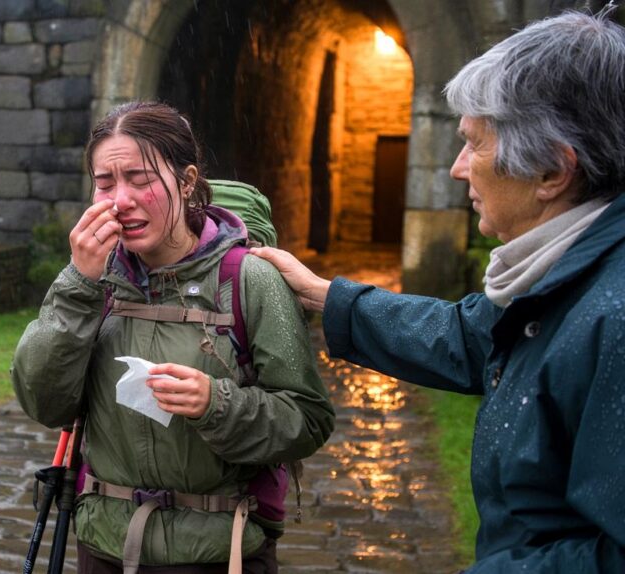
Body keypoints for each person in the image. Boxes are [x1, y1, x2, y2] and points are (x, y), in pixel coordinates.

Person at [251, 9, 625, 573]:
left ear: (552, 171)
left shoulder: (613, 317)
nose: (455, 169)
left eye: (473, 144)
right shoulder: (567, 276)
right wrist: (326, 297)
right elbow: (476, 337)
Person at [12, 101, 335, 573]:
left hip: (219, 553)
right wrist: (78, 284)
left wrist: (217, 404)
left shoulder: (249, 280)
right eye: (104, 183)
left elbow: (307, 419)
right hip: (104, 545)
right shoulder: (91, 280)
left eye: (140, 179)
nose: (120, 200)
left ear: (186, 182)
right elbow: (44, 403)